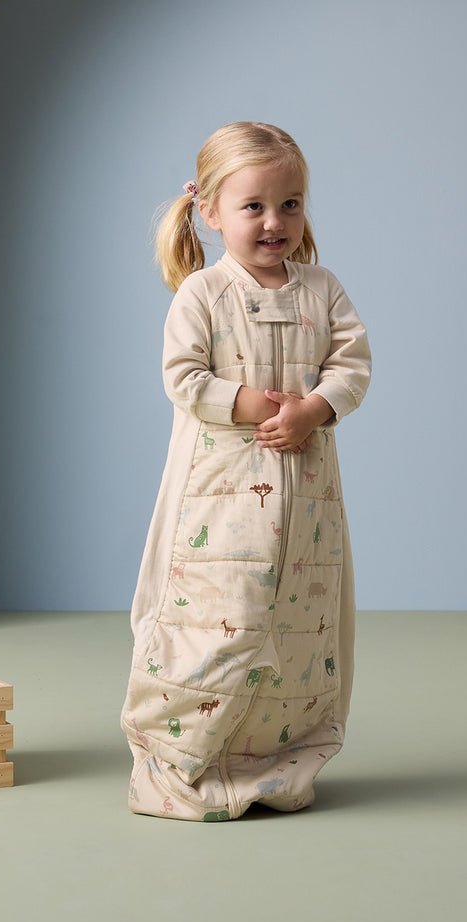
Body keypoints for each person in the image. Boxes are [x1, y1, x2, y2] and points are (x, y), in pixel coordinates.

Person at [121, 122, 371, 821]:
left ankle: (278, 764)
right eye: (253, 206)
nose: (274, 222)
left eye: (290, 204)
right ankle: (185, 761)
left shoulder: (322, 289)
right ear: (210, 211)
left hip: (306, 503)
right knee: (220, 623)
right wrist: (253, 404)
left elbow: (353, 365)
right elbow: (183, 377)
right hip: (222, 501)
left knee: (296, 626)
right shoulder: (203, 293)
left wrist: (314, 409)